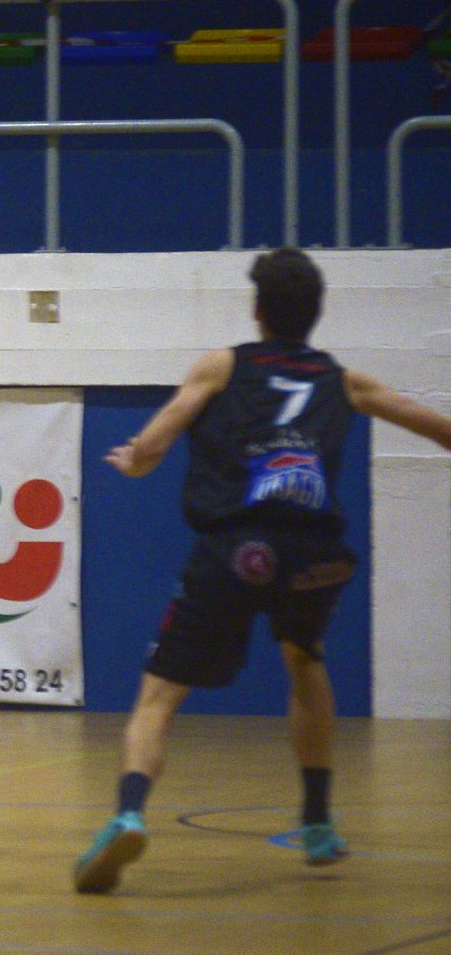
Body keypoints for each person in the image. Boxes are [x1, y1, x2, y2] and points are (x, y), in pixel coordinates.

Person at [74, 246, 451, 894]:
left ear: (256, 310)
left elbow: (158, 441)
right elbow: (439, 429)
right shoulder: (344, 380)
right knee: (304, 661)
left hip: (238, 546)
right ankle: (318, 823)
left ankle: (129, 813)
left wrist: (136, 459)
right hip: (315, 554)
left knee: (159, 695)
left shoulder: (222, 365)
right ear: (316, 313)